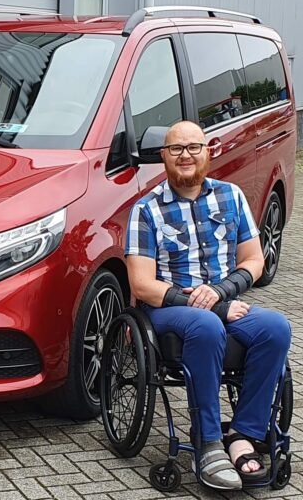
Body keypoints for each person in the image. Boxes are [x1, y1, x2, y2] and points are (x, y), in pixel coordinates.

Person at [125, 121, 291, 490]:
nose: (186, 155)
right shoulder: (146, 209)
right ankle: (209, 440)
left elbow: (254, 260)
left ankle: (244, 433)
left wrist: (221, 292)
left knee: (276, 328)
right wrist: (212, 307)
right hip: (168, 311)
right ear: (164, 157)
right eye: (176, 148)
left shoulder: (231, 197)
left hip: (224, 299)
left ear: (208, 152)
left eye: (194, 147)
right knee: (207, 326)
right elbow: (141, 284)